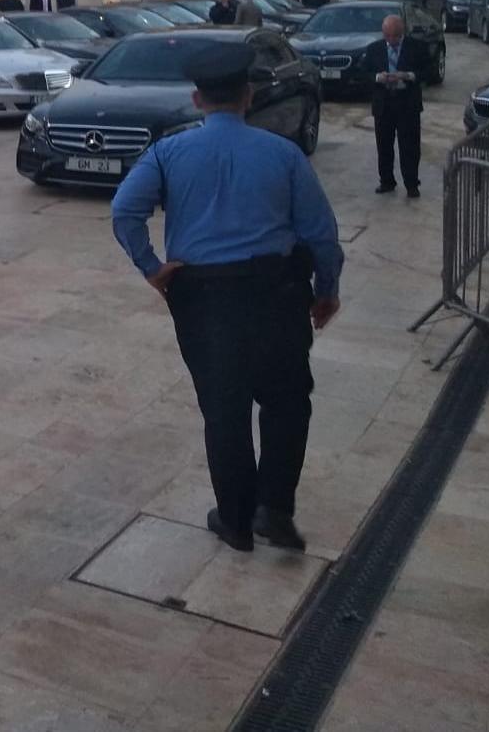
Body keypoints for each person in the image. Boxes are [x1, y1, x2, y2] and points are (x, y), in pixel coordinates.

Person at [112, 43, 342, 553]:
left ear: (197, 100)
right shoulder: (283, 153)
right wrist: (327, 290)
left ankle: (236, 521)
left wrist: (152, 268)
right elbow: (322, 233)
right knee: (286, 402)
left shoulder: (168, 153)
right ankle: (275, 509)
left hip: (205, 299)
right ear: (249, 95)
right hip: (277, 292)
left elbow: (125, 211)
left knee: (224, 409)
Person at [361, 14, 430, 198]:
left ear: (402, 33)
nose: (391, 41)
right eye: (388, 36)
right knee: (384, 145)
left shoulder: (416, 47)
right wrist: (378, 77)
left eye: (395, 36)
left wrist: (408, 76)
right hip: (384, 104)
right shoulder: (374, 49)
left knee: (409, 146)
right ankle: (386, 181)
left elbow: (428, 72)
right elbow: (363, 73)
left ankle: (411, 184)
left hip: (407, 103)